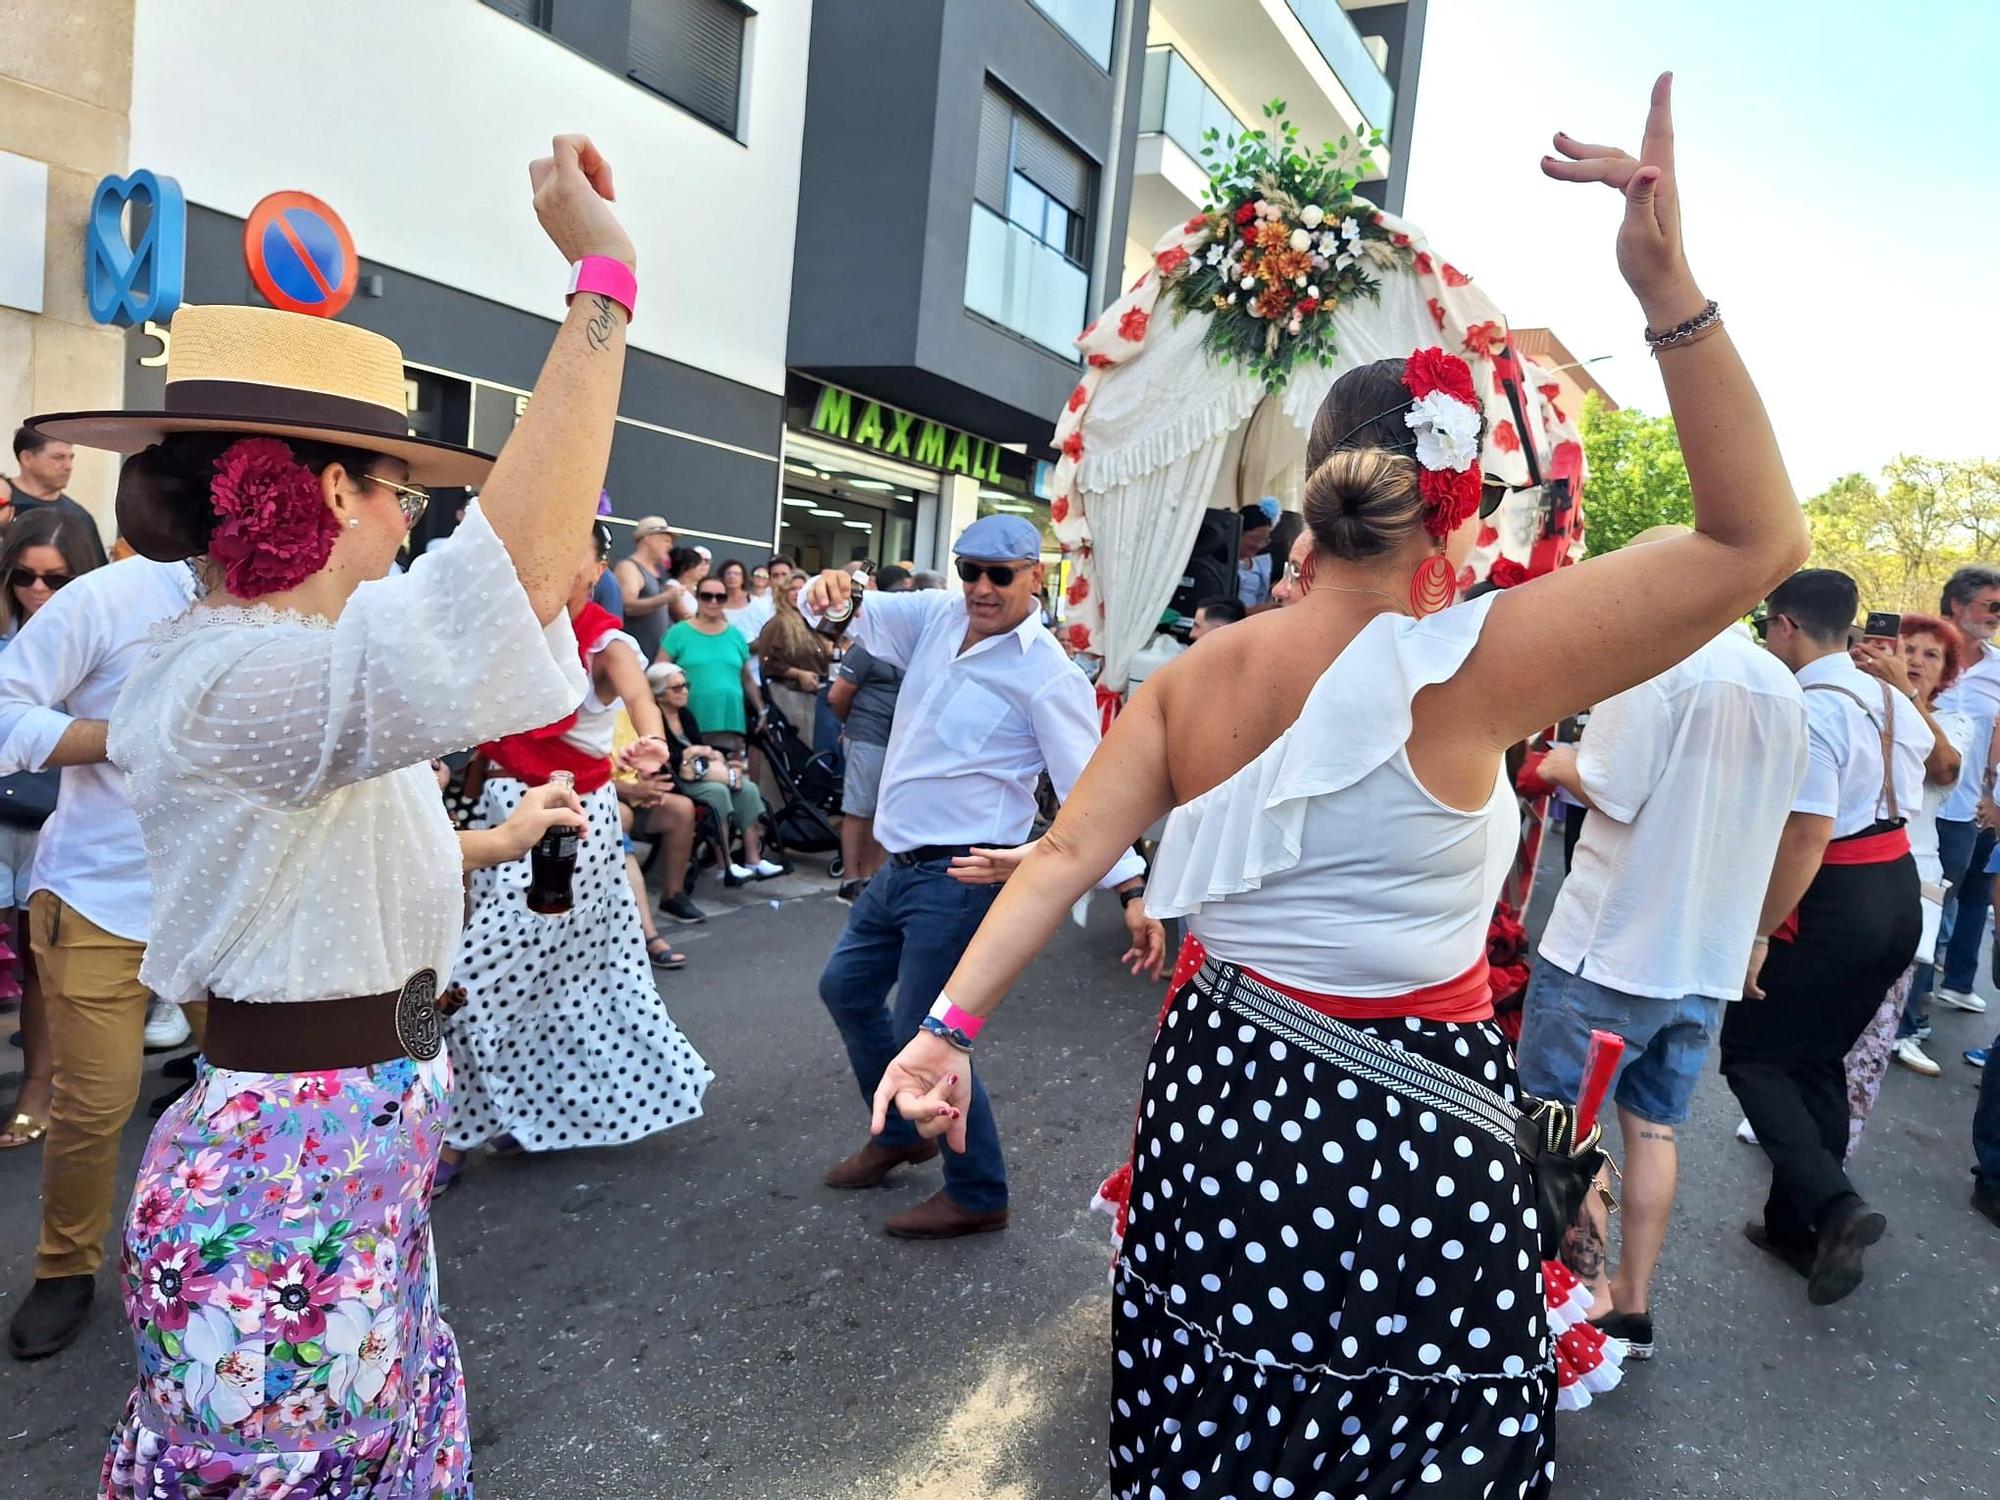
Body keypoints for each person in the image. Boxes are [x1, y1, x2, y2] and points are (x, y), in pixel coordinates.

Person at [861, 77, 1808, 1493]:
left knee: (1216, 1409)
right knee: (1398, 1431)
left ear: (1310, 491)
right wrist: (1666, 291)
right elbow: (1755, 544)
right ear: (1460, 503)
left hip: (1220, 1095)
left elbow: (1061, 861)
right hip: (1411, 1119)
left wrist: (947, 1029)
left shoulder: (1191, 678)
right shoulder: (1473, 668)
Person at [38, 133, 635, 1488]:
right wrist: (607, 281)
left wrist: (423, 1059)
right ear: (328, 493)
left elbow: (373, 904)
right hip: (291, 1156)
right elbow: (529, 569)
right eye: (405, 491)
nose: (415, 521)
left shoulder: (287, 672)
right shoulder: (236, 674)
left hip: (350, 1122)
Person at [804, 511, 1172, 1240]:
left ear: (1036, 578)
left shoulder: (1048, 678)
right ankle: (903, 1134)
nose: (980, 586)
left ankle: (977, 1190)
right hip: (895, 868)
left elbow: (1092, 795)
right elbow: (854, 614)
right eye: (969, 569)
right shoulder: (937, 616)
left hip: (963, 878)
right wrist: (832, 593)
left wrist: (1132, 889)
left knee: (931, 1032)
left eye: (999, 574)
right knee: (844, 990)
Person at [1516, 524, 1808, 1357]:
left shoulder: (1658, 662)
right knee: (1654, 1128)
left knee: (1556, 1130)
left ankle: (1564, 1304)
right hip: (1701, 955)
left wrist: (1562, 759)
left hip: (1613, 946)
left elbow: (1611, 784)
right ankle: (1629, 1306)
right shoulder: (1780, 686)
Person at [441, 531, 712, 1185]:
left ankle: (447, 1134)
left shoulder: (606, 642)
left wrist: (651, 744)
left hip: (562, 831)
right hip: (495, 819)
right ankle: (519, 1111)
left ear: (594, 569)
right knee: (531, 979)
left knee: (466, 981)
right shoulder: (505, 632)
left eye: (564, 554)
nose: (542, 569)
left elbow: (643, 703)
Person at [0, 528, 198, 1358]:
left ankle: (212, 1262)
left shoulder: (305, 604)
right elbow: (8, 712)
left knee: (245, 1098)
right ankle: (64, 1269)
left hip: (232, 899)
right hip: (100, 895)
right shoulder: (112, 595)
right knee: (96, 1104)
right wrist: (126, 735)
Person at [1725, 569, 1928, 1306]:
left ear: (1786, 625)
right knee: (1816, 1062)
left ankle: (1835, 1206)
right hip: (1897, 891)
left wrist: (1758, 930)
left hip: (1834, 897)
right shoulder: (1887, 692)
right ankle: (1794, 1228)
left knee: (1753, 1058)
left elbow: (1807, 833)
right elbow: (1944, 771)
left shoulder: (1811, 708)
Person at [0, 508, 108, 1154]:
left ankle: (37, 1089)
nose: (38, 591)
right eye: (24, 576)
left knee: (43, 962)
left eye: (57, 580)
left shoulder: (102, 632)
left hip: (61, 818)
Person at [1842, 615, 1970, 1115]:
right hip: (1841, 876)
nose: (1915, 661)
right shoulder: (1861, 705)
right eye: (1908, 649)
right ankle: (1788, 1121)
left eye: (1930, 656)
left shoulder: (1955, 723)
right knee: (1819, 1008)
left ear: (1946, 675)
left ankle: (1837, 1140)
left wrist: (1907, 697)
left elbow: (1945, 768)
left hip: (1909, 887)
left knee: (1873, 1025)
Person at [1920, 564, 2000, 1020]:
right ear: (1957, 604)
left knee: (1940, 910)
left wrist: (1992, 797)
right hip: (1908, 805)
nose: (1996, 616)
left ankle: (1913, 1016)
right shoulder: (1920, 651)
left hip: (1960, 815)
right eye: (1991, 605)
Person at [658, 661, 783, 884]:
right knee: (718, 792)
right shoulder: (654, 718)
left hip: (698, 772)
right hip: (675, 777)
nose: (684, 691)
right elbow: (661, 756)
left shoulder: (685, 715)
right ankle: (724, 864)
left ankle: (753, 858)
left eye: (685, 685)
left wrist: (709, 753)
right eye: (676, 688)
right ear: (659, 693)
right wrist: (692, 752)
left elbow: (698, 748)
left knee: (747, 788)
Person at [829, 637, 904, 903]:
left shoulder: (910, 643)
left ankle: (873, 876)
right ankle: (850, 880)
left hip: (899, 738)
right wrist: (853, 726)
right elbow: (836, 695)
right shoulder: (866, 646)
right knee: (859, 808)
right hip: (868, 735)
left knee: (885, 809)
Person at [660, 570, 759, 753]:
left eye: (720, 597)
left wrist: (762, 711)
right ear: (697, 598)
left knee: (731, 777)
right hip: (688, 721)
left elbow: (747, 680)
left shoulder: (735, 635)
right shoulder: (678, 633)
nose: (713, 602)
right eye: (707, 596)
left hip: (730, 722)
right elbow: (659, 674)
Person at [6, 428, 109, 569]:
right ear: (27, 458)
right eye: (58, 457)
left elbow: (95, 577)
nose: (68, 466)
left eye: (70, 458)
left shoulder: (79, 517)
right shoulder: (4, 503)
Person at [757, 578, 833, 741]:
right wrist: (798, 674)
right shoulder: (778, 623)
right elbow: (767, 663)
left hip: (816, 697)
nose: (797, 593)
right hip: (789, 698)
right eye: (792, 588)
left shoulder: (815, 622)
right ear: (783, 594)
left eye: (802, 588)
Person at [613, 514, 678, 663]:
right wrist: (666, 598)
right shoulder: (629, 568)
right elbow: (628, 606)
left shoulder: (656, 573)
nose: (670, 546)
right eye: (666, 540)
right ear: (649, 539)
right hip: (636, 660)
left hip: (655, 661)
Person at [1234, 498, 1277, 610]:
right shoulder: (1221, 565)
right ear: (1238, 532)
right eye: (1256, 539)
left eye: (1265, 540)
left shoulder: (1260, 565)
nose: (1259, 545)